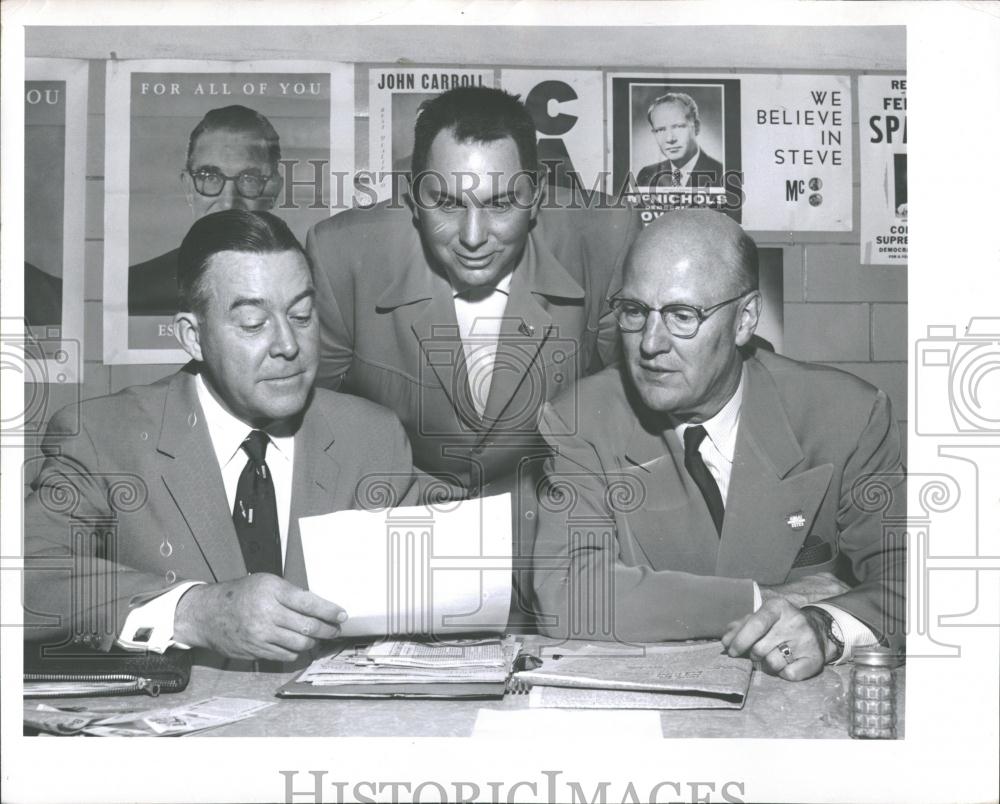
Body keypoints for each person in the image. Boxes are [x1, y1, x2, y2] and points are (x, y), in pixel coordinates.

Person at [24, 210, 416, 664]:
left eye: (302, 315)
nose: (288, 344)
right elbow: (25, 574)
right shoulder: (103, 437)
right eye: (253, 323)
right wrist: (194, 612)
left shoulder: (373, 437)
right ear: (193, 337)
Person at [306, 86, 640, 618]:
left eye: (500, 203)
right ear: (414, 197)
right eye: (446, 203)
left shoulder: (603, 237)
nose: (473, 236)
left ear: (535, 196)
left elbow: (631, 416)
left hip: (553, 526)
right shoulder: (344, 254)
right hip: (399, 528)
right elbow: (310, 428)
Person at [533, 210, 905, 681]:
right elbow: (567, 593)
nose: (649, 344)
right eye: (634, 311)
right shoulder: (580, 418)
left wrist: (825, 625)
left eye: (682, 316)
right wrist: (758, 598)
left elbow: (921, 583)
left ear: (745, 319)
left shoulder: (847, 416)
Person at [128, 105, 284, 317]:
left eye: (249, 179)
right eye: (210, 177)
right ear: (188, 188)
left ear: (273, 189)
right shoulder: (135, 290)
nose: (228, 203)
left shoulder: (316, 290)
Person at [636, 93, 723, 189]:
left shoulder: (722, 173)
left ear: (696, 127)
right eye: (660, 130)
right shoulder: (647, 175)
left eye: (678, 127)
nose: (670, 139)